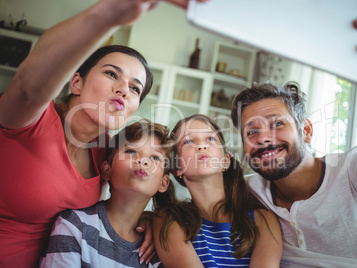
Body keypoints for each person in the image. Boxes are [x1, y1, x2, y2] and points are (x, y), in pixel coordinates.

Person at [0, 0, 208, 267]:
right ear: (76, 82)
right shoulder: (30, 119)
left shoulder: (106, 148)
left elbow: (132, 192)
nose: (123, 89)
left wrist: (148, 220)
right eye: (112, 74)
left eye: (135, 88)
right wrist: (108, 13)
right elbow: (29, 85)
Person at [230, 0, 357, 267]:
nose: (263, 138)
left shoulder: (352, 169)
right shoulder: (252, 190)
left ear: (306, 130)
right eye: (252, 131)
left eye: (277, 124)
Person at [40, 119, 175, 267]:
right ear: (107, 169)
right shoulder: (74, 225)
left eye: (154, 158)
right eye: (131, 151)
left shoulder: (156, 250)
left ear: (163, 183)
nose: (143, 160)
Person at [153, 114, 282, 268]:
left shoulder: (263, 219)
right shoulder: (169, 219)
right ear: (177, 167)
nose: (201, 146)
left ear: (226, 160)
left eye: (210, 139)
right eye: (188, 141)